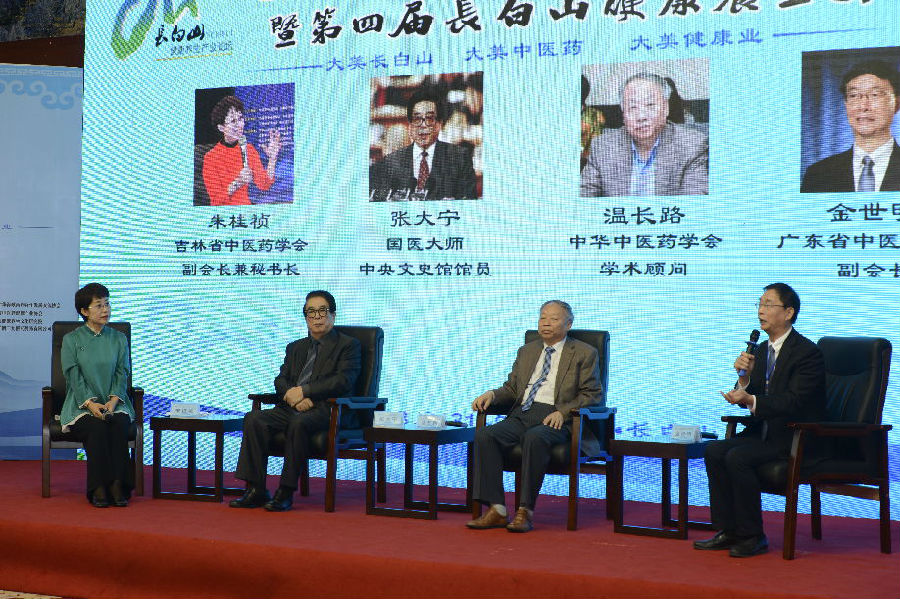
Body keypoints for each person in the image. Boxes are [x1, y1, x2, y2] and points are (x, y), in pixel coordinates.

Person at [694, 283, 826, 558]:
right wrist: (744, 380)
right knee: (715, 450)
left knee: (738, 457)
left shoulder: (807, 352)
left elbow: (794, 401)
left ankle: (752, 535)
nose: (760, 311)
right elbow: (755, 393)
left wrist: (751, 400)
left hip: (794, 437)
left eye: (768, 304)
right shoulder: (763, 349)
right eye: (759, 304)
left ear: (788, 312)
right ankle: (728, 530)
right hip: (765, 433)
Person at [466, 301, 603, 533]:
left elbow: (592, 394)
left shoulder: (584, 352)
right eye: (542, 318)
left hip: (557, 418)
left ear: (569, 324)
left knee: (535, 437)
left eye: (554, 319)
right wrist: (492, 394)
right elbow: (512, 389)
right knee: (485, 436)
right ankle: (497, 510)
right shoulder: (527, 351)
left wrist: (563, 412)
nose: (546, 323)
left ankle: (525, 511)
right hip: (523, 414)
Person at [230, 290, 361, 512]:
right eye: (311, 312)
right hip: (292, 407)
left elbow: (342, 381)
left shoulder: (348, 345)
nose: (317, 317)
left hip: (328, 410)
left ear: (333, 315)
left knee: (299, 423)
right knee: (254, 419)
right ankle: (256, 489)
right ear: (305, 317)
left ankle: (285, 491)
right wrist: (294, 398)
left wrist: (305, 391)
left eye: (322, 311)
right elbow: (281, 379)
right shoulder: (296, 347)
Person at [60, 283, 136, 508]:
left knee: (118, 424)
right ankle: (99, 487)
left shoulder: (119, 338)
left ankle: (118, 485)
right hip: (81, 404)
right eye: (99, 306)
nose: (106, 310)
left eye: (107, 304)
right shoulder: (72, 339)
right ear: (84, 311)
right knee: (97, 427)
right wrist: (91, 404)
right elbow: (73, 375)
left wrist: (113, 401)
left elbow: (122, 372)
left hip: (115, 402)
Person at [580, 73, 708, 197]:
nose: (641, 117)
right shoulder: (602, 147)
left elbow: (693, 203)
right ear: (623, 113)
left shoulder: (692, 145)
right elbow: (583, 196)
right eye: (633, 107)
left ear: (665, 108)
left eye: (650, 105)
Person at [801, 60, 900, 192]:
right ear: (846, 104)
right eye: (854, 95)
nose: (863, 106)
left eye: (875, 95)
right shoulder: (818, 173)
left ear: (896, 104)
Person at [369, 89, 477, 201]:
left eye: (429, 119)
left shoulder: (460, 158)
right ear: (410, 126)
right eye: (417, 119)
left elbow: (468, 204)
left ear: (439, 125)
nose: (423, 125)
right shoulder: (391, 161)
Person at [202, 95, 281, 206]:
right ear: (221, 127)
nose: (239, 125)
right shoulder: (211, 157)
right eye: (233, 121)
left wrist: (272, 159)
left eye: (240, 118)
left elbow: (264, 185)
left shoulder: (249, 149)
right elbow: (216, 201)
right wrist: (238, 182)